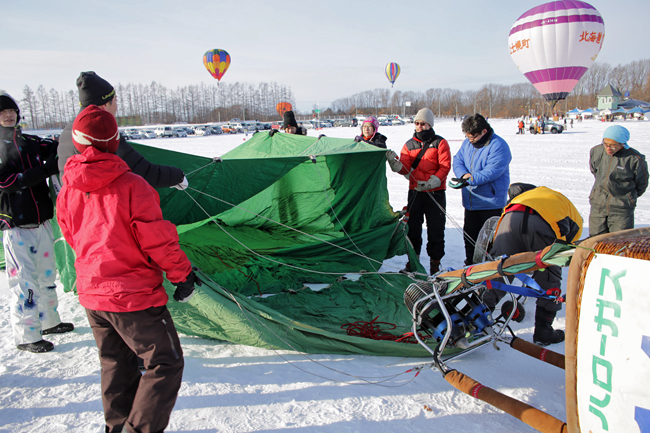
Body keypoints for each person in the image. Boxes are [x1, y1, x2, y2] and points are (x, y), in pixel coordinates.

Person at [56, 105, 201, 433]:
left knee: (116, 365)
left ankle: (118, 428)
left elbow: (72, 237)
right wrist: (182, 275)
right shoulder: (134, 186)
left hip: (94, 296)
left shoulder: (68, 190)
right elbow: (158, 241)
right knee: (165, 363)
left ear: (79, 143)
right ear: (114, 141)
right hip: (133, 299)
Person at [0, 93, 74, 353]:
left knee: (46, 274)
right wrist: (45, 170)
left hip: (41, 220)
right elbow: (8, 182)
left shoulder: (29, 141)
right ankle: (26, 335)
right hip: (16, 227)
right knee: (24, 281)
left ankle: (49, 320)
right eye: (3, 112)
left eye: (12, 110)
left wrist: (62, 146)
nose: (9, 115)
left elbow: (54, 148)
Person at [482, 183, 583, 346]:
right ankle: (543, 332)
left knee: (499, 270)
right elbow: (564, 250)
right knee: (549, 276)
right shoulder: (561, 203)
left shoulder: (523, 198)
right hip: (542, 222)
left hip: (508, 219)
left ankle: (478, 320)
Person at [58, 71, 187, 190]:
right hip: (103, 209)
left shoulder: (66, 132)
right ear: (105, 105)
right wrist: (176, 176)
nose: (116, 106)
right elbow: (142, 171)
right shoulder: (102, 133)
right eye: (115, 100)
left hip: (74, 209)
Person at [386, 108, 451, 274]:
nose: (419, 126)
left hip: (435, 192)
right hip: (415, 192)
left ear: (430, 124)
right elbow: (406, 168)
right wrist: (396, 165)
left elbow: (445, 165)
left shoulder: (440, 143)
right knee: (413, 227)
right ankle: (412, 261)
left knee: (436, 229)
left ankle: (435, 263)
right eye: (417, 123)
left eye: (423, 123)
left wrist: (434, 181)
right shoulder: (408, 144)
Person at [451, 113, 512, 266]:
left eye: (473, 137)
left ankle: (489, 272)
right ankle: (470, 267)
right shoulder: (467, 144)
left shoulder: (499, 146)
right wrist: (463, 175)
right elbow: (458, 160)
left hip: (491, 204)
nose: (470, 141)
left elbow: (492, 171)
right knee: (470, 237)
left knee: (489, 242)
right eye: (467, 137)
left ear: (483, 132)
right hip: (471, 202)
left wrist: (470, 180)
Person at [588, 125, 648, 236]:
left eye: (613, 145)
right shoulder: (596, 151)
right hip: (598, 205)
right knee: (595, 241)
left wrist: (627, 197)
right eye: (605, 144)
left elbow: (642, 184)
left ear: (622, 144)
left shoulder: (635, 159)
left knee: (618, 243)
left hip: (621, 210)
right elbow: (595, 171)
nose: (608, 148)